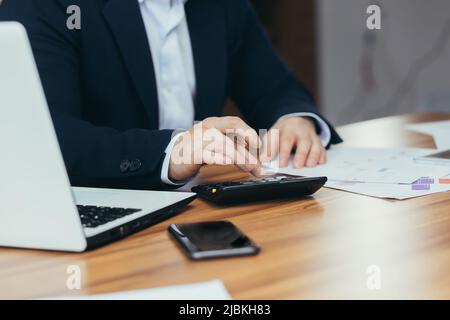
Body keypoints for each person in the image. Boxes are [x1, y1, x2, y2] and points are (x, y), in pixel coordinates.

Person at [19, 0, 342, 190]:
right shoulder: (47, 6)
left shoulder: (224, 6)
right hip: (88, 214)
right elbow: (46, 139)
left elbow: (274, 87)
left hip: (197, 212)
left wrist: (294, 118)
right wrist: (172, 152)